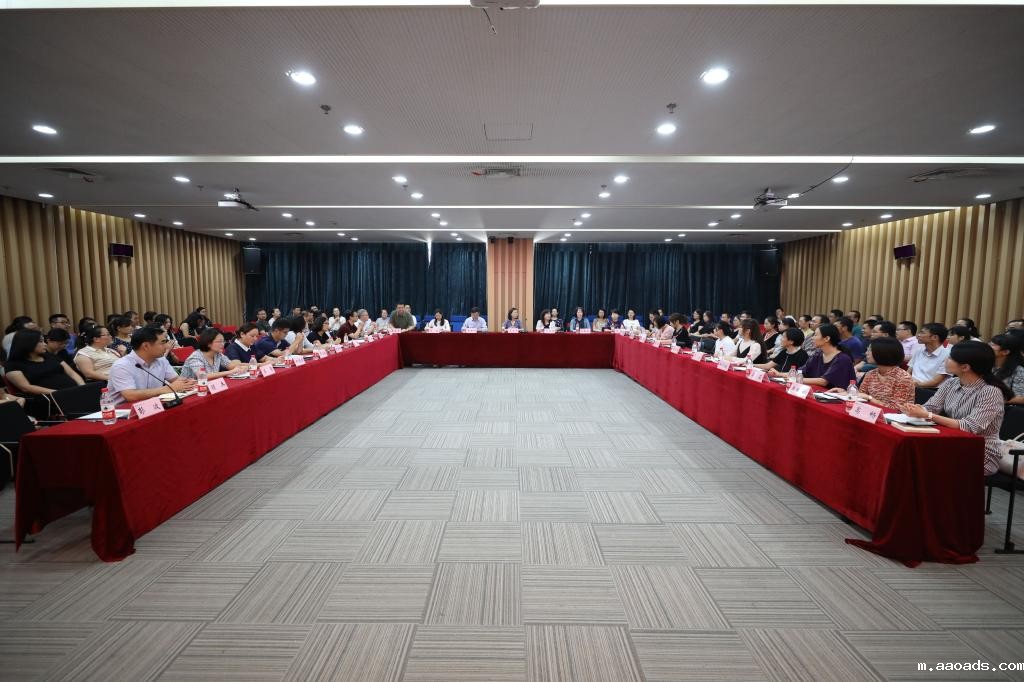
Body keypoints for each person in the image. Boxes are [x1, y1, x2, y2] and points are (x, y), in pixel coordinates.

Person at [900, 341, 1011, 475]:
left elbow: (969, 427)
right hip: (953, 442)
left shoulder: (990, 391)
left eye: (951, 358)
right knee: (912, 457)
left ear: (965, 367)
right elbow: (931, 407)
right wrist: (915, 409)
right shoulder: (951, 383)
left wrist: (928, 415)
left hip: (980, 452)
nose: (946, 360)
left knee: (923, 462)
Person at [106, 324, 196, 404]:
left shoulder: (161, 360)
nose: (167, 346)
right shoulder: (122, 365)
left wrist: (190, 383)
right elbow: (130, 395)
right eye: (163, 342)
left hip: (152, 406)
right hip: (122, 412)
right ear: (146, 346)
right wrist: (167, 389)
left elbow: (176, 380)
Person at [841, 337, 915, 409]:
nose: (866, 353)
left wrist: (869, 398)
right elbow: (860, 395)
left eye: (869, 350)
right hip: (870, 412)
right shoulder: (870, 374)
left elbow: (896, 408)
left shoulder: (903, 378)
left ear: (882, 353)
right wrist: (847, 393)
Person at [4, 329, 84, 394]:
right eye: (41, 341)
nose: (45, 344)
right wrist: (59, 393)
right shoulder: (13, 364)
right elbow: (26, 387)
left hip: (72, 391)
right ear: (28, 344)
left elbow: (71, 373)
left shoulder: (49, 356)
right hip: (49, 398)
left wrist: (82, 387)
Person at [801, 323, 857, 389]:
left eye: (815, 335)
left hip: (836, 394)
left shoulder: (842, 359)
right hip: (817, 392)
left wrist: (797, 379)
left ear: (827, 338)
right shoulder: (817, 354)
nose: (812, 338)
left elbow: (824, 381)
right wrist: (793, 375)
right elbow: (802, 371)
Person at [909, 323, 950, 388]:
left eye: (922, 333)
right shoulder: (919, 350)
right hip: (912, 386)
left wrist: (916, 385)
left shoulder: (947, 355)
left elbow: (935, 382)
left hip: (930, 390)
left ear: (935, 337)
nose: (918, 335)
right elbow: (909, 371)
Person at [991, 333, 1024, 404]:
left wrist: (992, 399)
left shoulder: (1019, 371)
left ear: (1006, 352)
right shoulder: (987, 365)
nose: (990, 346)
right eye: (990, 343)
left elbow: (1021, 398)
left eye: (994, 345)